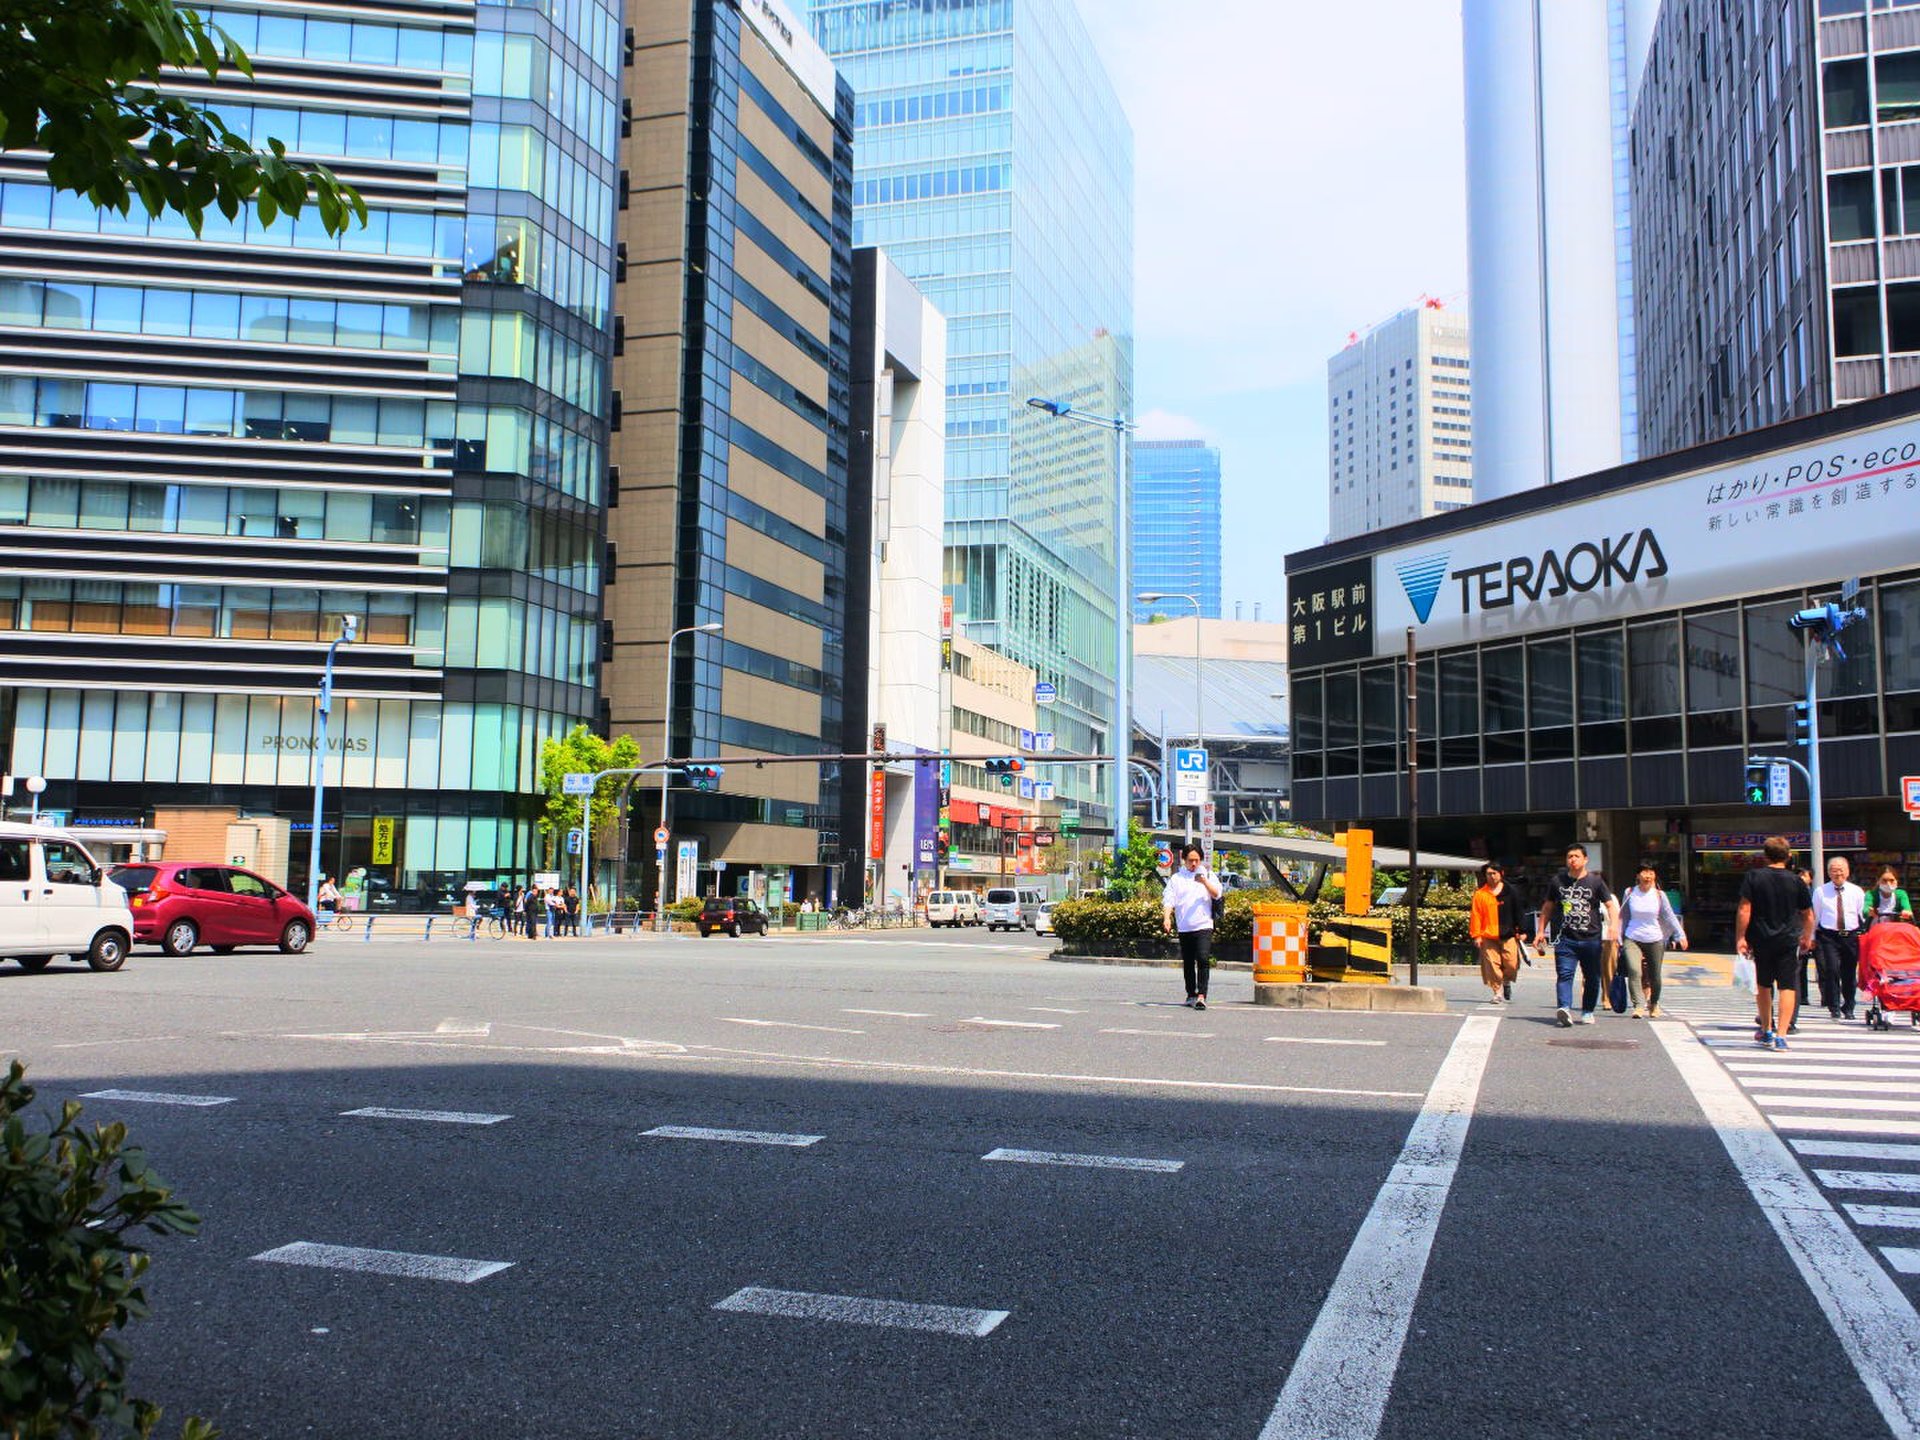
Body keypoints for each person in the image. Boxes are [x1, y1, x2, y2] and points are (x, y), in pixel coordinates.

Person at [1736, 836, 1814, 1050]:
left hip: (1761, 938)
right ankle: (1782, 1035)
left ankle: (1766, 1029)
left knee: (1763, 984)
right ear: (1789, 856)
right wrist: (1807, 937)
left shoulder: (1754, 877)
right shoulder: (1796, 881)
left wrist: (1741, 937)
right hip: (1789, 939)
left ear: (1765, 855)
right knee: (1788, 986)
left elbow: (1745, 909)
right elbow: (1808, 914)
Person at [1533, 844, 1619, 1027]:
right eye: (1569, 856)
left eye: (1576, 856)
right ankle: (1564, 1008)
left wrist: (1614, 926)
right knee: (1564, 974)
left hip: (1591, 939)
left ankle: (1588, 1011)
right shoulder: (1557, 881)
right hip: (1565, 939)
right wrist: (1540, 931)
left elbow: (1610, 905)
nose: (1572, 860)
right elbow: (1548, 907)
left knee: (1592, 977)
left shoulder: (1595, 882)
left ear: (1585, 859)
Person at [1620, 862, 1687, 1018]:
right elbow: (1624, 916)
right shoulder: (1629, 892)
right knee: (1634, 971)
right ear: (1638, 876)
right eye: (1644, 872)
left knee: (1655, 975)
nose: (1648, 875)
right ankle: (1638, 1005)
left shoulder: (1659, 895)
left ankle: (1654, 1003)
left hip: (1655, 938)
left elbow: (1669, 916)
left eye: (1651, 872)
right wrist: (1619, 937)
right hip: (1633, 937)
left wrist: (1680, 935)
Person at [1161, 843, 1224, 1010]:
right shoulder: (1177, 878)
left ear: (1201, 860)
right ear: (1184, 860)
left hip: (1204, 924)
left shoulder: (1208, 874)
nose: (1194, 864)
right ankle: (1191, 994)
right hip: (1184, 926)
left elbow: (1217, 894)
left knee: (1203, 958)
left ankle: (1202, 995)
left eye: (1197, 860)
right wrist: (1167, 918)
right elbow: (1169, 899)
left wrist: (1203, 881)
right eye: (1190, 861)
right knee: (1188, 961)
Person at [1812, 855, 1867, 1021]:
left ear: (1848, 872)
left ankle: (1849, 1006)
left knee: (1849, 973)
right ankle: (1834, 1006)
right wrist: (1812, 936)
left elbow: (1861, 915)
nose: (1838, 874)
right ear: (1829, 873)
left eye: (1841, 870)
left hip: (1850, 936)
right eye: (1834, 870)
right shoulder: (1820, 892)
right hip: (1829, 936)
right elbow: (1815, 916)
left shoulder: (1856, 891)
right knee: (1831, 970)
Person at [1469, 862, 1525, 1005]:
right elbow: (1476, 915)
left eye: (1494, 873)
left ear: (1501, 874)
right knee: (1492, 965)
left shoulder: (1511, 891)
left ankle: (1506, 981)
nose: (1492, 876)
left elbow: (1518, 911)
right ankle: (1497, 992)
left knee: (1511, 963)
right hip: (1488, 935)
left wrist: (1522, 930)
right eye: (1489, 874)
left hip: (1509, 934)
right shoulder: (1480, 894)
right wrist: (1476, 935)